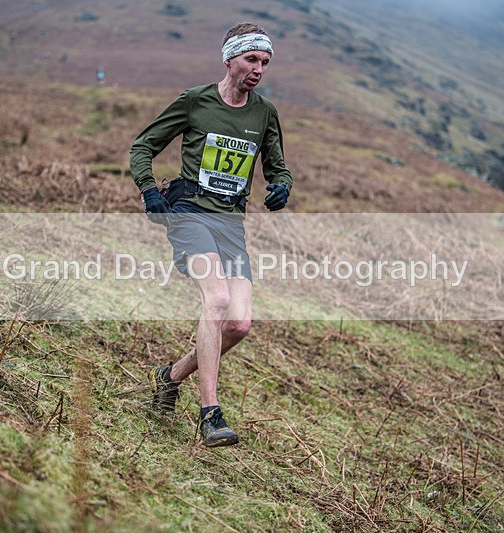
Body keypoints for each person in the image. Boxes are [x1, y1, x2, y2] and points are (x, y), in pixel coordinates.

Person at [129, 22, 292, 447]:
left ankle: (168, 377)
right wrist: (149, 191)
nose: (258, 69)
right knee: (216, 300)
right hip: (189, 213)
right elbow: (142, 146)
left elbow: (276, 164)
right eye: (251, 59)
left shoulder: (264, 112)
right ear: (230, 58)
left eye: (265, 62)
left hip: (230, 224)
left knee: (238, 324)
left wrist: (281, 186)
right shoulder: (194, 101)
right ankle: (210, 415)